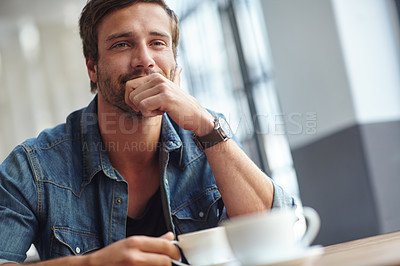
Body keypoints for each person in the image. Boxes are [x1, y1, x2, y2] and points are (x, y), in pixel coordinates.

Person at [0, 0, 295, 265]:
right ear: (92, 67)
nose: (145, 60)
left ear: (174, 63)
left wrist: (206, 127)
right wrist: (90, 265)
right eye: (122, 44)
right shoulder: (32, 167)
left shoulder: (208, 133)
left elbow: (280, 235)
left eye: (157, 43)